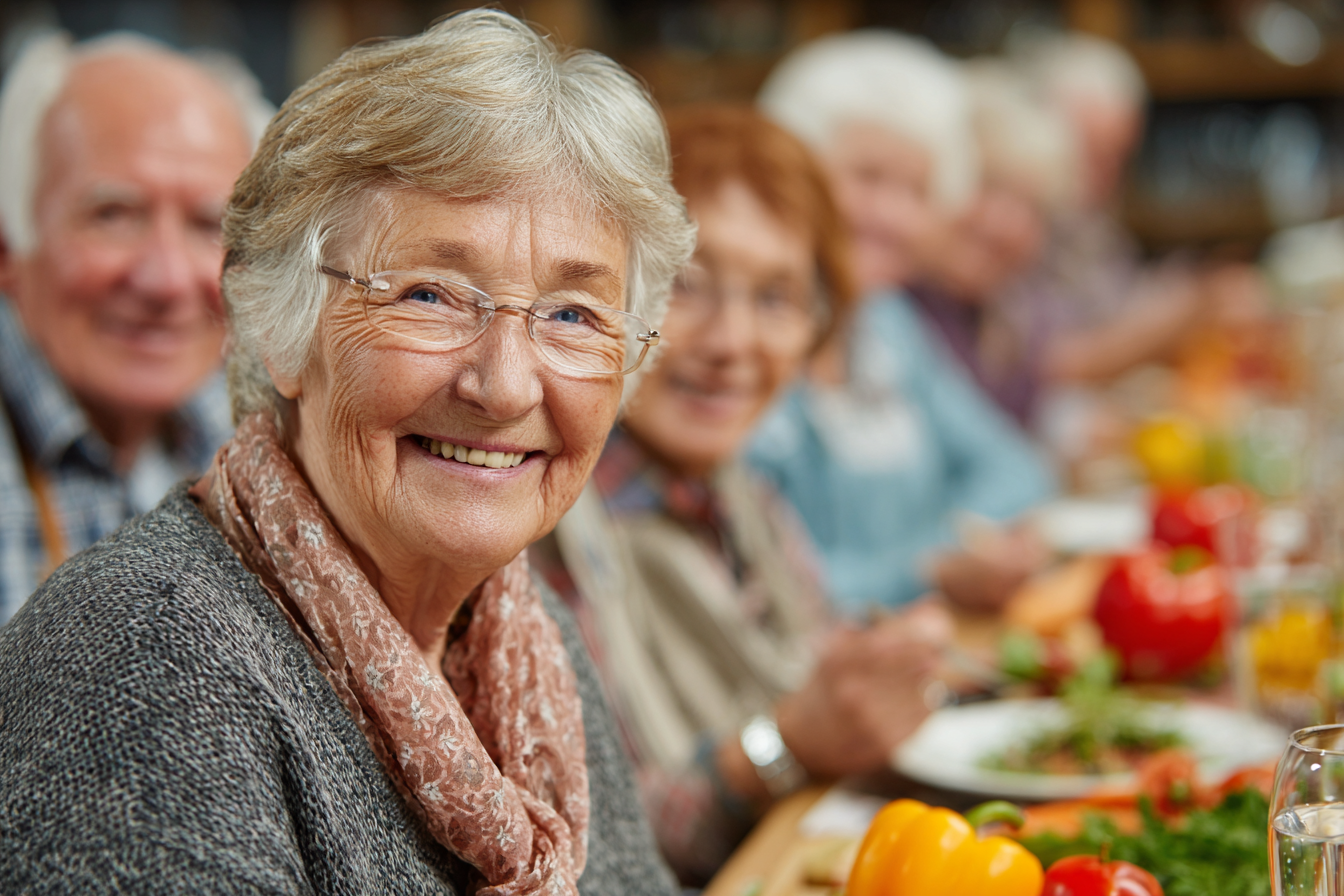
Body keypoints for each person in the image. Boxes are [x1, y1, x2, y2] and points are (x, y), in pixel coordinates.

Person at [0, 12, 696, 895]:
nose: (508, 385)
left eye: (572, 314)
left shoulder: (520, 639)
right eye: (431, 295)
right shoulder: (144, 650)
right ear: (277, 331)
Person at [532, 105, 952, 885]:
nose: (734, 345)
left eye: (776, 298)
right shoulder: (537, 509)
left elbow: (824, 672)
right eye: (687, 287)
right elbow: (583, 845)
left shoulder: (742, 498)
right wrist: (785, 745)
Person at [752, 32, 1057, 616]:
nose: (889, 215)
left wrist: (961, 550)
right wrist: (933, 571)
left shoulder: (888, 326)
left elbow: (1016, 467)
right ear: (795, 174)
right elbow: (767, 587)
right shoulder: (745, 341)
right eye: (866, 177)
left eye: (916, 190)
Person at [0, 33, 268, 621]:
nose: (166, 280)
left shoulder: (255, 440)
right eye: (113, 215)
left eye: (205, 223)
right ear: (9, 248)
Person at [910, 61, 1080, 427]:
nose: (1008, 225)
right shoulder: (891, 312)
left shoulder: (1010, 313)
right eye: (988, 185)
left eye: (1034, 209)